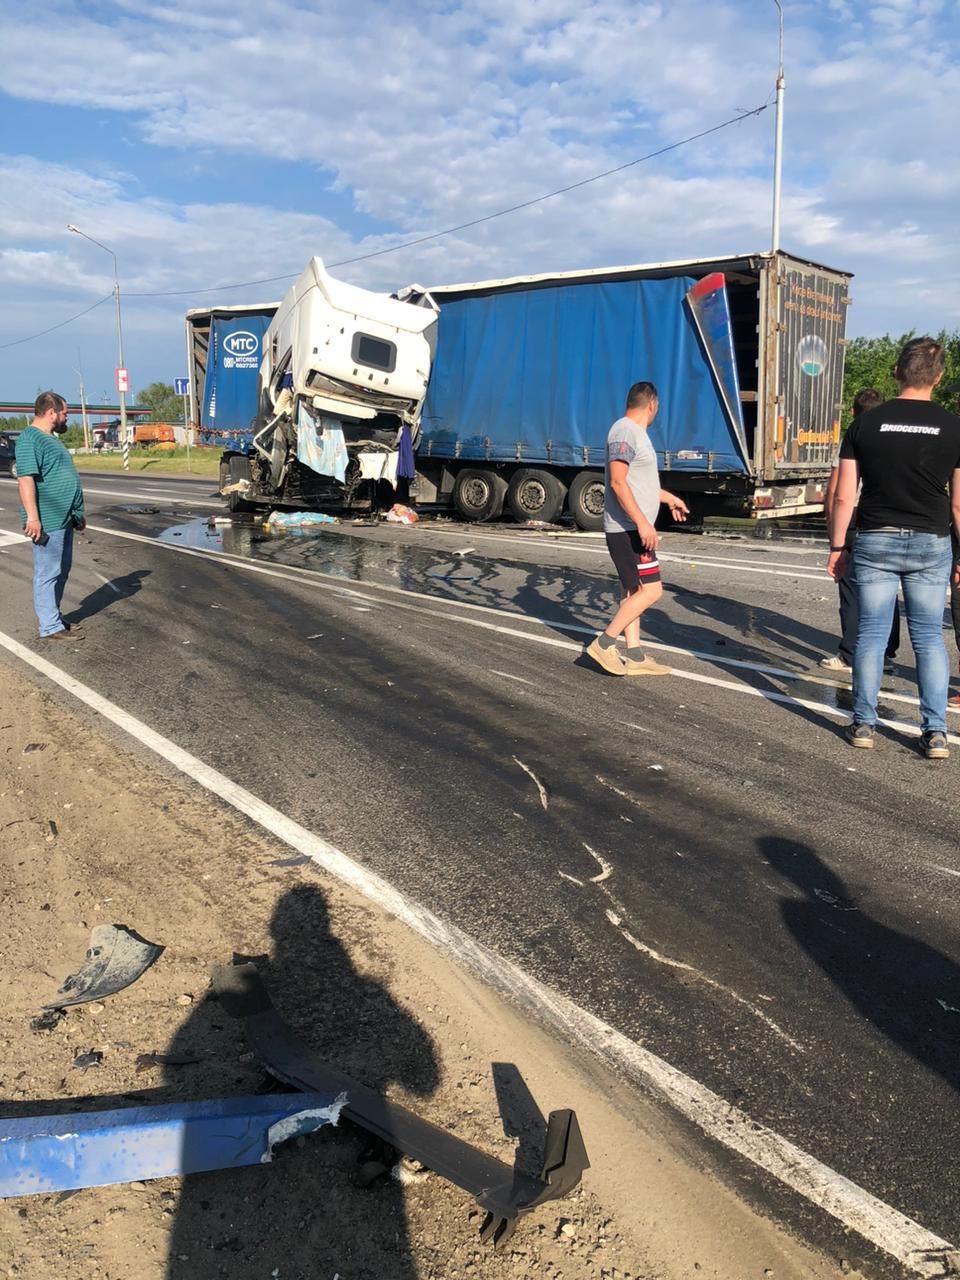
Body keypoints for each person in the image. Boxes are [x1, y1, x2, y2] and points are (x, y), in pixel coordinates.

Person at [829, 338, 960, 759]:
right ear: (937, 378)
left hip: (875, 537)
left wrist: (837, 545)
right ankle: (935, 732)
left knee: (870, 633)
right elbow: (959, 501)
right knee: (928, 638)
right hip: (931, 540)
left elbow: (844, 495)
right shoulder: (953, 426)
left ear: (897, 372)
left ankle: (864, 724)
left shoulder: (866, 424)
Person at [586, 381, 689, 676]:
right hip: (628, 529)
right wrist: (643, 523)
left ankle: (634, 655)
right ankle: (604, 644)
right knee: (652, 591)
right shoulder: (625, 431)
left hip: (631, 528)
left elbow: (638, 484)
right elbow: (618, 481)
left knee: (633, 592)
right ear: (653, 405)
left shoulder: (634, 433)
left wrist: (669, 499)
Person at [820, 388, 900, 674]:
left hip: (854, 516)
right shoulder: (894, 436)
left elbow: (836, 491)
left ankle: (850, 654)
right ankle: (887, 652)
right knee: (886, 588)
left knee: (851, 588)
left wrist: (833, 536)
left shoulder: (853, 436)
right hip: (888, 518)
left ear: (853, 412)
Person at [16, 391, 86, 641]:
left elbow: (61, 476)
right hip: (48, 520)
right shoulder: (29, 439)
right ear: (51, 412)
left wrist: (78, 513)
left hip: (65, 518)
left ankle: (54, 617)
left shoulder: (50, 438)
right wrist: (33, 518)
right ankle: (49, 626)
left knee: (61, 570)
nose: (67, 418)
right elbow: (25, 480)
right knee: (48, 572)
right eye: (65, 413)